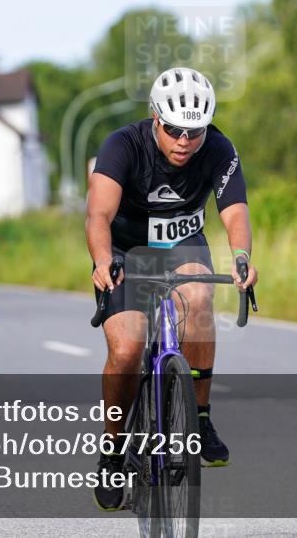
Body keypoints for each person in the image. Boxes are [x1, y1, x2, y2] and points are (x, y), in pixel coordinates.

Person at [86, 66, 259, 511]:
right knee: (126, 349)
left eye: (195, 131)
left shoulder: (218, 148)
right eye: (175, 129)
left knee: (200, 301)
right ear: (155, 119)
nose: (185, 140)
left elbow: (235, 211)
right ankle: (112, 450)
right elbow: (98, 215)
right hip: (126, 249)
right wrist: (104, 260)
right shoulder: (122, 145)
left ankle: (199, 420)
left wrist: (241, 257)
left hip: (183, 244)